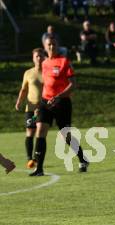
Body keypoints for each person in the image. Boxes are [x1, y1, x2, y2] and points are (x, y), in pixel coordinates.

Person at [31, 35, 89, 176]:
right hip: (46, 102)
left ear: (58, 46)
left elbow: (73, 84)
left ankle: (83, 159)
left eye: (54, 44)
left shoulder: (64, 61)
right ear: (45, 47)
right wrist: (40, 103)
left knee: (65, 135)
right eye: (49, 44)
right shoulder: (44, 64)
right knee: (40, 131)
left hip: (62, 102)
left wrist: (58, 96)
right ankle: (39, 168)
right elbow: (46, 84)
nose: (51, 47)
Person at [15, 48, 45, 169]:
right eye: (36, 56)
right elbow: (24, 89)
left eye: (41, 56)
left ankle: (37, 158)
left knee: (39, 131)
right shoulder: (28, 73)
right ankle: (30, 159)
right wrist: (19, 101)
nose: (39, 58)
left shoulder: (47, 72)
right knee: (30, 132)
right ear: (33, 58)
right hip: (30, 108)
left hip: (44, 108)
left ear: (44, 57)